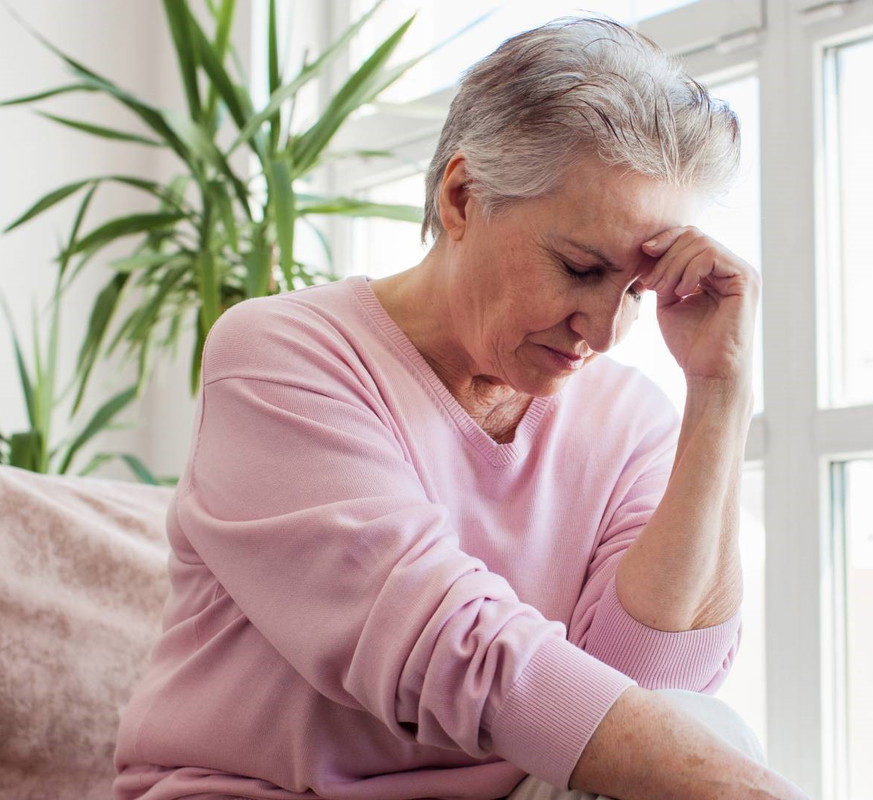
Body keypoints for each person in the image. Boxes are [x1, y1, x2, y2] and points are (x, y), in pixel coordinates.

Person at [113, 16, 807, 800]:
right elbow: (450, 653)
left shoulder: (627, 418)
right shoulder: (282, 355)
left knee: (700, 729)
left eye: (636, 290)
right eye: (580, 268)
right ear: (461, 195)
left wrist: (721, 390)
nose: (607, 332)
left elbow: (642, 694)